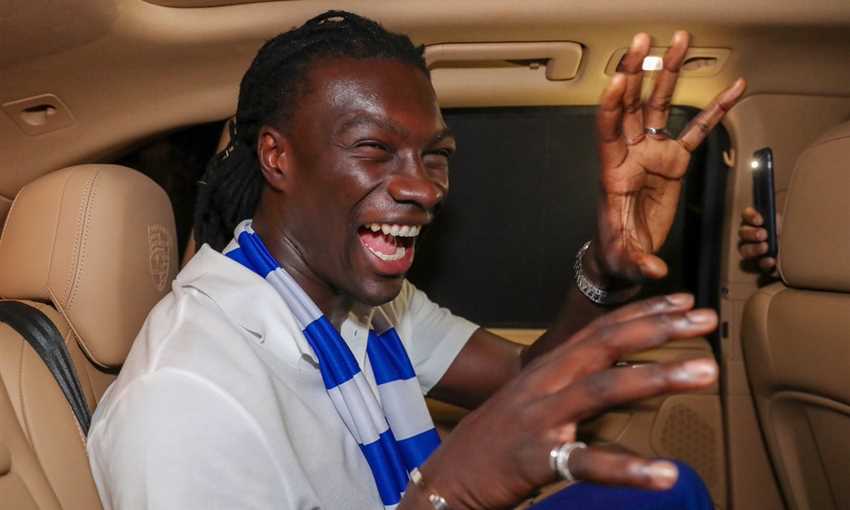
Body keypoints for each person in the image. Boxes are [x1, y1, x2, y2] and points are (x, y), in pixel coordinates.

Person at [87, 11, 746, 510]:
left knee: (666, 492)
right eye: (374, 149)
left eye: (435, 155)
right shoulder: (184, 398)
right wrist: (444, 495)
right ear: (277, 157)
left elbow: (525, 379)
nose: (425, 188)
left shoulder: (365, 306)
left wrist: (606, 267)